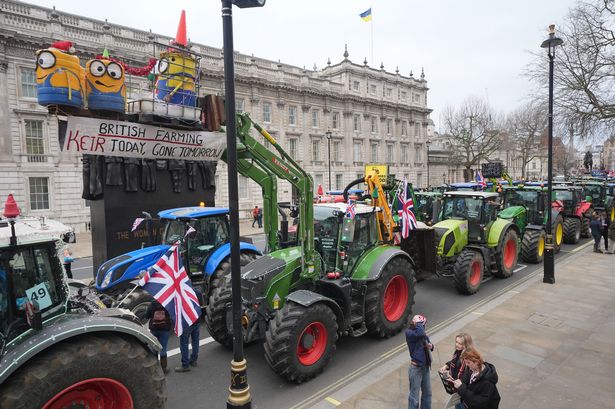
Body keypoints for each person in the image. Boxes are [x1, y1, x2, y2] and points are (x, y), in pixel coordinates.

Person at [405, 314, 433, 409]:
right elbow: (420, 333)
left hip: (425, 367)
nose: (424, 327)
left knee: (427, 393)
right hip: (416, 369)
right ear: (416, 324)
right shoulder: (409, 333)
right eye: (423, 325)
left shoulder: (421, 332)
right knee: (414, 397)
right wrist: (419, 323)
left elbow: (428, 342)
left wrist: (431, 346)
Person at [439, 333, 474, 409]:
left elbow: (468, 377)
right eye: (456, 342)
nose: (457, 345)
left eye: (460, 343)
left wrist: (456, 382)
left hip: (463, 393)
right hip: (457, 390)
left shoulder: (468, 358)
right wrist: (446, 366)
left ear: (466, 345)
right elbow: (454, 362)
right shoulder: (458, 352)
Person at [175, 288, 202, 373]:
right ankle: (194, 360)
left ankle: (185, 365)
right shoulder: (197, 292)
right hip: (196, 319)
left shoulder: (180, 294)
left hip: (186, 322)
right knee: (195, 341)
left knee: (184, 343)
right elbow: (199, 304)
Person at [145, 300, 172, 374]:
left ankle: (155, 368)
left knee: (154, 348)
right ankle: (164, 369)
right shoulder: (166, 303)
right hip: (164, 330)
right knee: (163, 349)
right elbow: (170, 315)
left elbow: (147, 316)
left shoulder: (152, 304)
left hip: (154, 329)